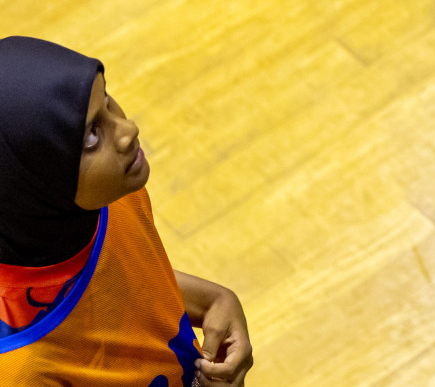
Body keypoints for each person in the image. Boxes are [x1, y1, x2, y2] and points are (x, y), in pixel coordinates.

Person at [0, 35, 255, 386]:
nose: (127, 130)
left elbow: (113, 282)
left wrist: (214, 301)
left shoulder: (110, 197)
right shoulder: (20, 371)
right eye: (91, 136)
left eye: (107, 100)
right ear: (33, 182)